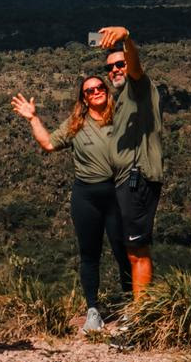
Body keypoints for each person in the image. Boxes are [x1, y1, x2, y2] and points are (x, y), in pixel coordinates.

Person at [11, 76, 133, 333]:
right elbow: (48, 143)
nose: (96, 92)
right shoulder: (76, 124)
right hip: (86, 196)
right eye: (90, 90)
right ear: (84, 98)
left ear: (107, 92)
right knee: (89, 254)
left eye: (100, 87)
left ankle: (131, 307)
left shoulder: (120, 117)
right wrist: (33, 118)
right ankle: (93, 311)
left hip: (117, 193)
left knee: (124, 251)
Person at [97, 26, 164, 301]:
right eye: (109, 67)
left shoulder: (139, 85)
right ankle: (138, 309)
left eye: (119, 64)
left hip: (139, 178)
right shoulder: (122, 97)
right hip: (125, 181)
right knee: (131, 249)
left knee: (138, 250)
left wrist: (126, 37)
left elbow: (136, 66)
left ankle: (141, 317)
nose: (114, 70)